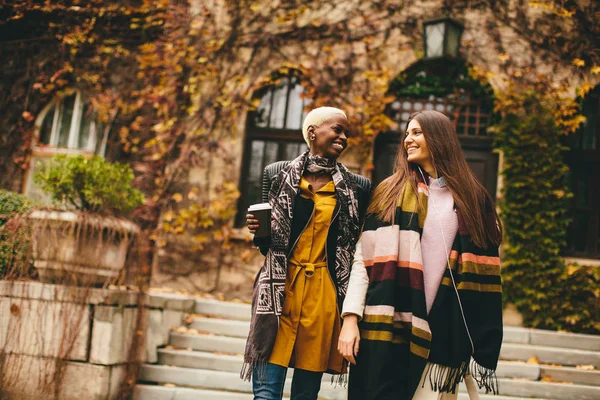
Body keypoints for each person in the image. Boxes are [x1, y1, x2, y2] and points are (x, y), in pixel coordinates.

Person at [338, 110, 503, 400]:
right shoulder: (389, 192)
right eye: (406, 133)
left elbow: (485, 268)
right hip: (388, 327)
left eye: (416, 133)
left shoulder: (472, 198)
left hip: (441, 331)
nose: (408, 140)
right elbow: (363, 261)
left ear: (439, 138)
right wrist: (350, 318)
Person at [241, 106, 371, 400]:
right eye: (337, 130)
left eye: (346, 133)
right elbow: (268, 247)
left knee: (305, 394)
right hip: (278, 290)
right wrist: (258, 230)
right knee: (265, 393)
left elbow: (355, 246)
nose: (343, 137)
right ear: (312, 132)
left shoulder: (358, 188)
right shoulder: (276, 174)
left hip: (323, 295)